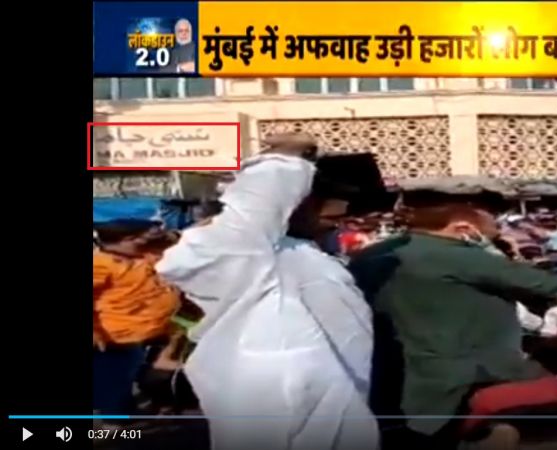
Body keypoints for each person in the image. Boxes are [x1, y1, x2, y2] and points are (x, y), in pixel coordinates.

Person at [348, 203, 557, 449]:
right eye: (492, 234)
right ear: (463, 228)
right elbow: (555, 286)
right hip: (479, 372)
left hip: (400, 377)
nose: (493, 243)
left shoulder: (371, 255)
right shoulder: (456, 254)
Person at [156, 134, 378, 450]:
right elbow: (250, 214)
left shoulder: (302, 252)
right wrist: (286, 157)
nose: (339, 217)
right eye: (324, 203)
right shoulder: (235, 251)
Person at [93, 219, 180, 417]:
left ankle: (154, 403)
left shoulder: (146, 255)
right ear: (129, 239)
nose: (154, 234)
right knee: (114, 383)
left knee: (147, 372)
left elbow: (184, 238)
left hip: (156, 331)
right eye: (145, 234)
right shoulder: (101, 264)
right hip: (118, 337)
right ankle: (113, 426)